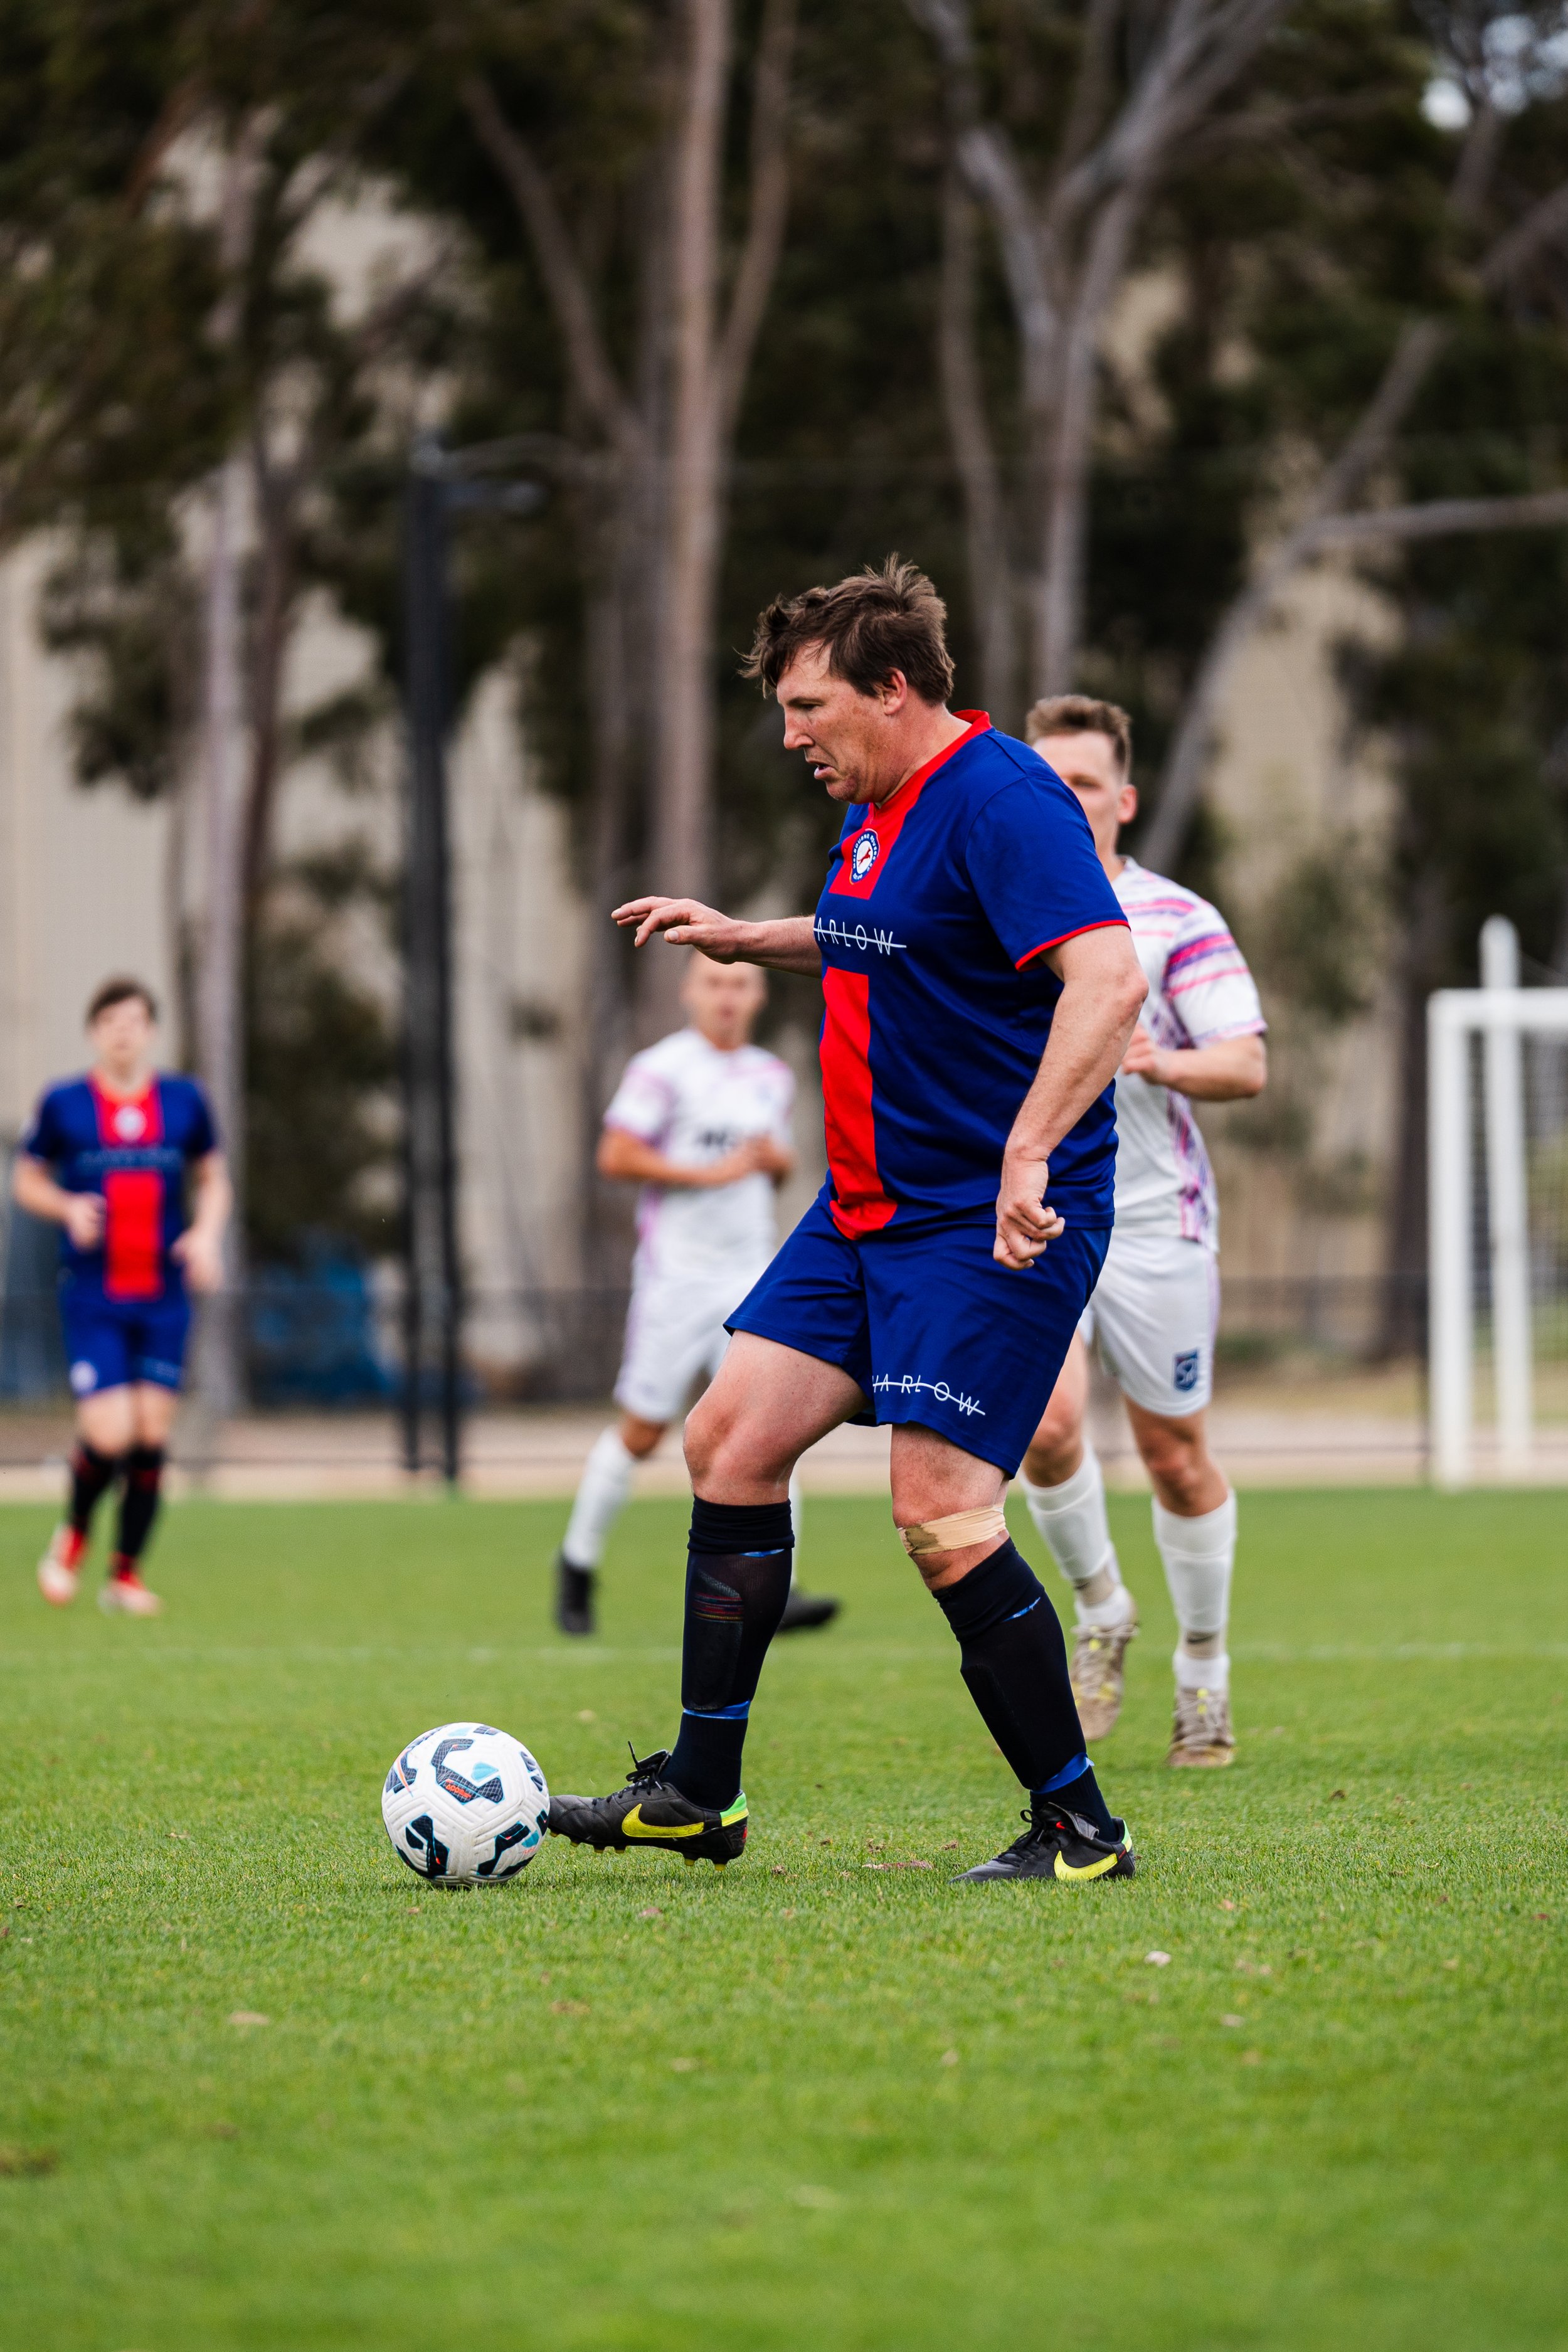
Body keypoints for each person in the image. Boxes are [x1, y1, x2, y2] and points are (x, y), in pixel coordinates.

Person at [548, 558, 1148, 1883]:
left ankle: (1078, 1825)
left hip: (979, 1214)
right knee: (727, 1437)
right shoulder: (877, 802)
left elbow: (1107, 979)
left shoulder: (1000, 798)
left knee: (938, 1511)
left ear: (892, 688)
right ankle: (701, 1791)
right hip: (864, 1206)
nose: (788, 734)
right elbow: (880, 937)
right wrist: (745, 936)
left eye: (809, 705)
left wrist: (1029, 1147)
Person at [1015, 697, 1266, 1767]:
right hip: (1041, 1214)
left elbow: (1246, 1064)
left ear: (1121, 800)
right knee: (1044, 1425)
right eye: (1047, 783)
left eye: (1083, 784)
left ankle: (1203, 1674)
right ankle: (1101, 1608)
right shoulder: (998, 910)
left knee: (1174, 1456)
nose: (1064, 803)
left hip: (1159, 1227)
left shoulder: (1174, 920)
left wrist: (1149, 1055)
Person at [553, 950, 839, 1638]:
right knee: (644, 1431)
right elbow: (616, 1155)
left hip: (749, 1273)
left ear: (758, 994)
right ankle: (577, 1566)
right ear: (690, 991)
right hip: (676, 1278)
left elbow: (767, 1169)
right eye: (714, 983)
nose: (727, 996)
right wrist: (704, 1174)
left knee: (770, 1429)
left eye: (739, 983)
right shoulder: (663, 1068)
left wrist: (779, 1165)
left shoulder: (770, 1076)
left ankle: (782, 1586)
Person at [13, 977, 230, 1616]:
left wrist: (208, 1236)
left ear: (151, 1031)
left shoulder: (186, 1101)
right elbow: (27, 1179)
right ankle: (74, 1535)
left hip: (163, 1294)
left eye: (134, 1020)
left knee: (151, 1433)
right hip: (94, 1293)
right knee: (107, 1432)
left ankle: (124, 1576)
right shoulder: (64, 1104)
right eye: (110, 1020)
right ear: (94, 1031)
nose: (123, 1031)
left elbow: (213, 1179)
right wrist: (66, 1206)